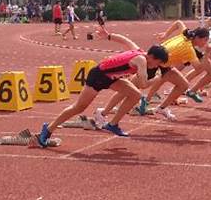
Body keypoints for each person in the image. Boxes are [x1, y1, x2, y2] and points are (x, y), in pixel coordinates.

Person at [32, 34, 169, 148]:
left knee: (135, 95)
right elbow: (143, 84)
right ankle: (48, 129)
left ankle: (112, 124)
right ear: (152, 57)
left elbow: (125, 40)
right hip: (98, 76)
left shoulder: (139, 51)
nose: (157, 66)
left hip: (111, 78)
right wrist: (158, 78)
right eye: (158, 63)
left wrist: (108, 36)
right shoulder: (142, 61)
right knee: (79, 107)